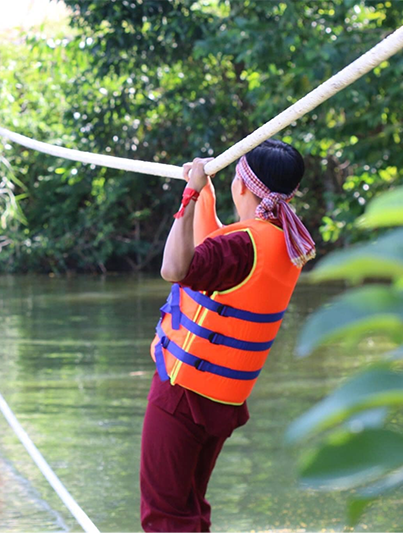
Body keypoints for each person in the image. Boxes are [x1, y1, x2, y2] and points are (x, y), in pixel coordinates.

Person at [140, 139, 316, 532]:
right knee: (191, 510)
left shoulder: (241, 246)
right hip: (220, 401)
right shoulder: (284, 243)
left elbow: (174, 267)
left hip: (183, 393)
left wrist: (187, 197)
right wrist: (204, 198)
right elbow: (220, 250)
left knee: (166, 516)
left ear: (242, 186)